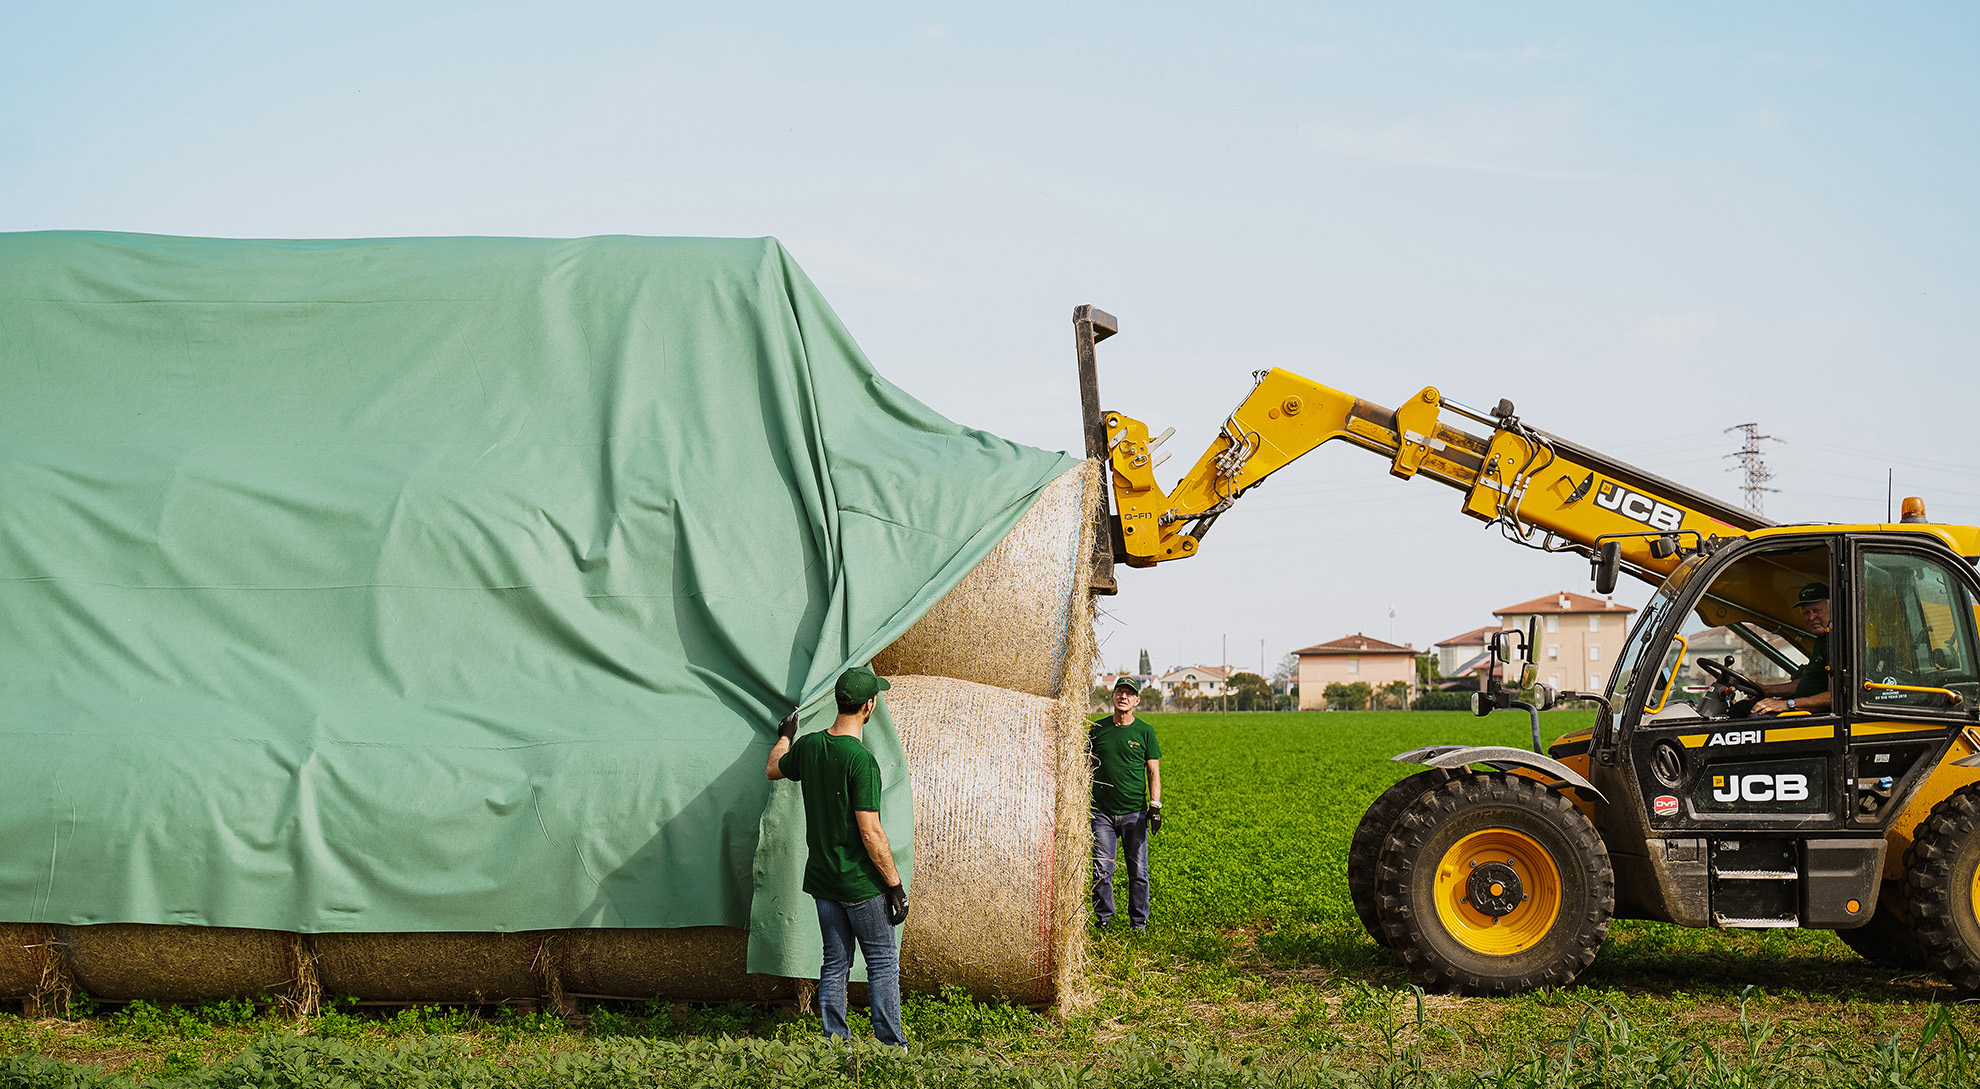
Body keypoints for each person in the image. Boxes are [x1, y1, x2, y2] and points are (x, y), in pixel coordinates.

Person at [765, 666, 909, 1049]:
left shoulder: (809, 746)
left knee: (834, 962)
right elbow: (870, 833)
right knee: (882, 962)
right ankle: (891, 1048)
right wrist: (895, 886)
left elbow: (773, 768)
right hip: (860, 884)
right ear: (869, 706)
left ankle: (833, 1046)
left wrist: (785, 736)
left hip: (823, 881)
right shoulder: (861, 760)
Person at [1090, 677, 1162, 932]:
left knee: (1138, 871)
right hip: (1102, 814)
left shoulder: (1145, 732)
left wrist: (1155, 806)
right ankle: (1104, 920)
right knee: (1102, 870)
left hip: (1135, 814)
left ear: (1137, 701)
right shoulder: (1097, 730)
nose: (1124, 697)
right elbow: (1084, 767)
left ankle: (1138, 924)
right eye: (1120, 692)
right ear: (1113, 697)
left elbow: (1153, 772)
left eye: (1129, 694)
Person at [1753, 582, 1833, 715]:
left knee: (1754, 717)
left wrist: (1787, 704)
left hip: (1817, 717)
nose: (1811, 617)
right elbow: (1809, 683)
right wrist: (1766, 690)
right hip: (1802, 708)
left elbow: (1833, 697)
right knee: (1742, 707)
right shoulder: (1822, 639)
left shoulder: (1839, 641)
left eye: (1817, 610)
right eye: (1806, 612)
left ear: (1832, 608)